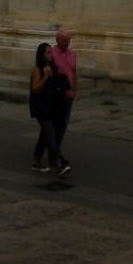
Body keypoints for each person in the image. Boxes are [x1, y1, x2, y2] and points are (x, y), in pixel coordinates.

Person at [29, 42, 71, 176]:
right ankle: (58, 162)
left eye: (50, 52)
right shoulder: (37, 70)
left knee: (45, 134)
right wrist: (45, 78)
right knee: (50, 134)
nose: (50, 55)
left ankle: (36, 160)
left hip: (51, 107)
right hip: (41, 108)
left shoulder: (52, 67)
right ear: (41, 54)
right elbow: (35, 89)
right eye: (47, 52)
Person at [49, 25, 79, 163]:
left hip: (68, 95)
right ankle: (53, 153)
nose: (67, 43)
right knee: (54, 124)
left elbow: (74, 72)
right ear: (57, 40)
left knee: (63, 124)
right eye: (65, 41)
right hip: (57, 95)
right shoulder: (51, 54)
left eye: (69, 40)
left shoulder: (73, 53)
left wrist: (74, 90)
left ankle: (56, 150)